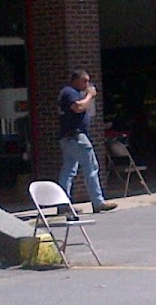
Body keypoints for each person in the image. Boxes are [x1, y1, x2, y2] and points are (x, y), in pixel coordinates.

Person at [57, 69, 117, 213]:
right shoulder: (70, 92)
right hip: (76, 137)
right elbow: (78, 107)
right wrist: (90, 95)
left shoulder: (72, 93)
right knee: (91, 167)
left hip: (69, 138)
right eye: (85, 81)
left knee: (68, 170)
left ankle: (63, 205)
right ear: (75, 80)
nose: (87, 84)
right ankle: (98, 202)